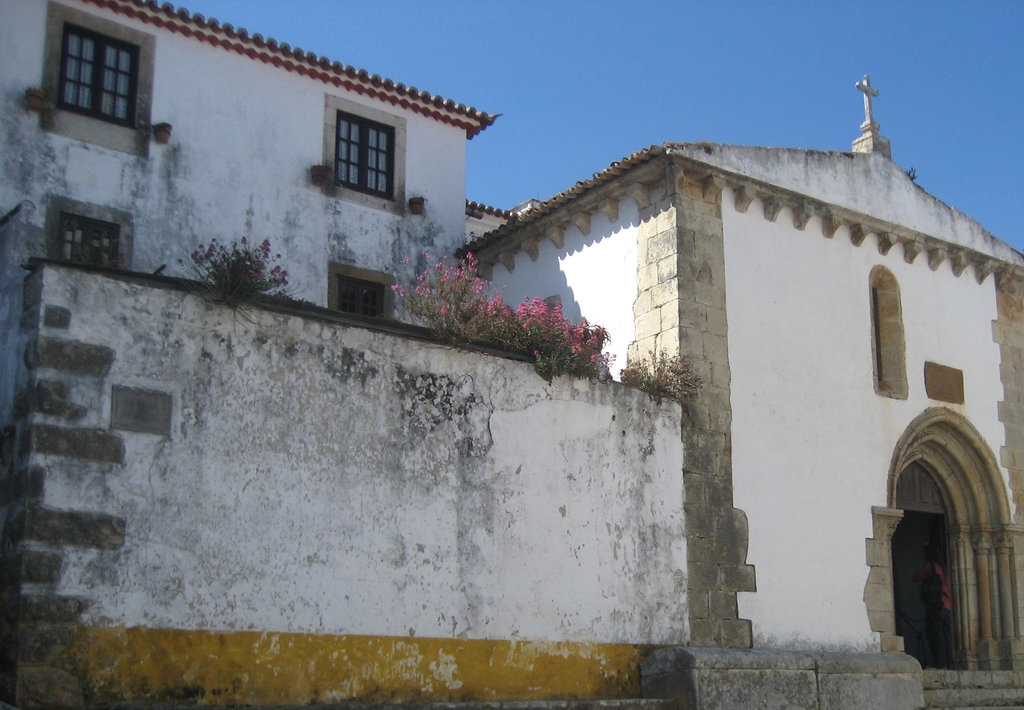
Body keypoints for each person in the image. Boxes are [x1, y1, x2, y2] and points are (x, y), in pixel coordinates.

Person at [913, 544, 953, 669]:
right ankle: (949, 663)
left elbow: (916, 577)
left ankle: (939, 663)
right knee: (946, 635)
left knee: (936, 635)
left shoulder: (930, 567)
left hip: (934, 606)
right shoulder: (944, 568)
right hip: (946, 605)